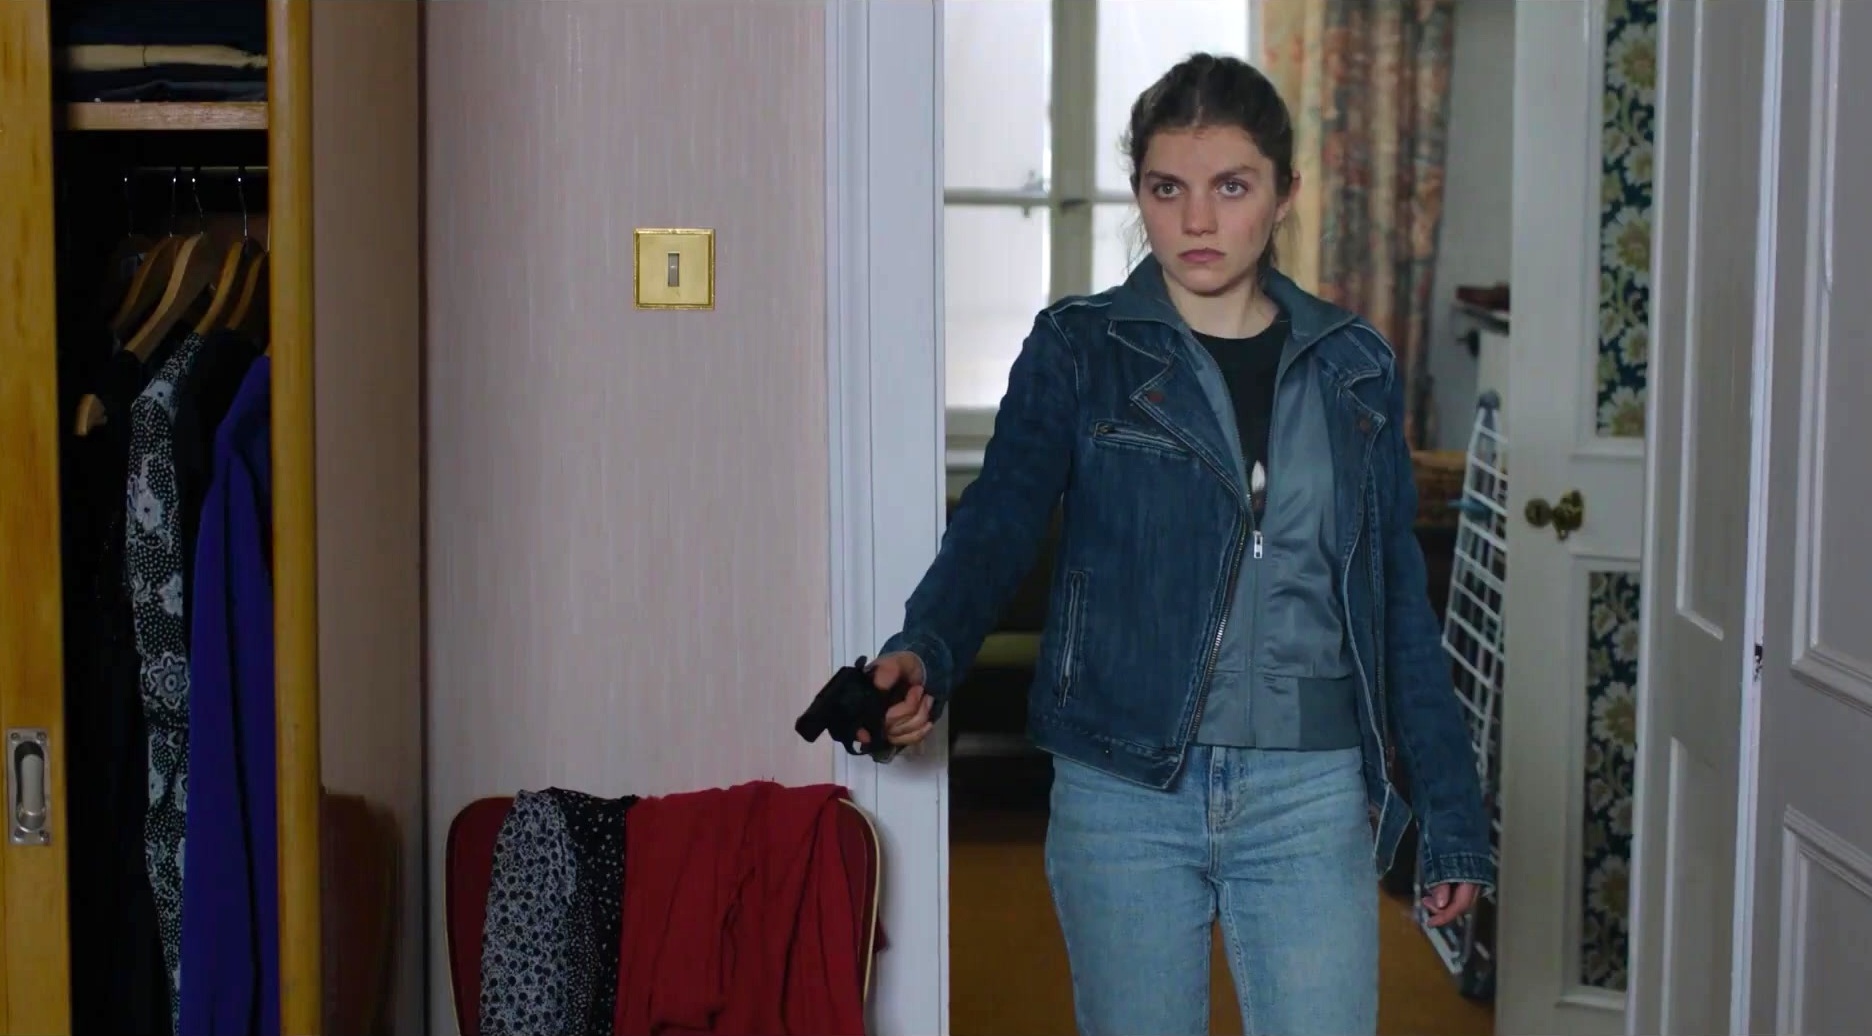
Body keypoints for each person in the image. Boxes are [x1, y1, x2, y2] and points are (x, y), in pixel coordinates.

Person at [859, 52, 1495, 1036]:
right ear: (1140, 194)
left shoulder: (1354, 366)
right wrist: (926, 648)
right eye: (1168, 188)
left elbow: (1399, 607)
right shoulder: (1080, 349)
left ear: (1285, 193)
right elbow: (997, 522)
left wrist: (1450, 811)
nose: (1197, 220)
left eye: (1230, 187)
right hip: (1122, 789)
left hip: (1310, 790)